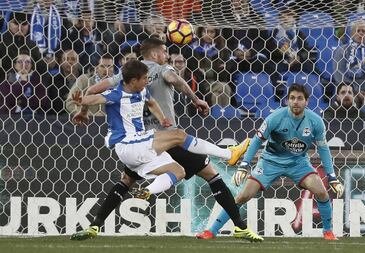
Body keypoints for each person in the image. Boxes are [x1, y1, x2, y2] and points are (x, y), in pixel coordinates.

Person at [70, 39, 263, 242]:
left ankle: (95, 225)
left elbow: (92, 91)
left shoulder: (123, 76)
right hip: (164, 141)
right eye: (164, 51)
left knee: (126, 181)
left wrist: (82, 110)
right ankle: (239, 221)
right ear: (154, 55)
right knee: (212, 175)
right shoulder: (162, 68)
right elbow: (174, 79)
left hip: (141, 144)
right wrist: (195, 99)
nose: (167, 55)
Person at [196, 84, 344, 241]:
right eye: (292, 98)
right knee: (242, 196)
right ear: (287, 100)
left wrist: (332, 176)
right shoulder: (275, 117)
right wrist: (244, 165)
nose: (295, 102)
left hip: (298, 163)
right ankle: (211, 231)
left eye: (300, 98)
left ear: (307, 102)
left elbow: (323, 149)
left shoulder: (316, 122)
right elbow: (256, 141)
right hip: (270, 162)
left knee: (321, 192)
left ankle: (328, 232)